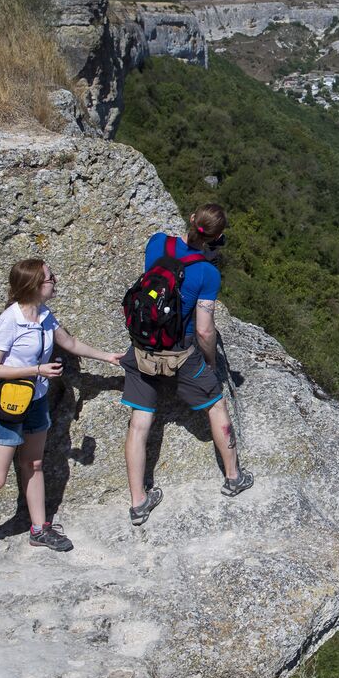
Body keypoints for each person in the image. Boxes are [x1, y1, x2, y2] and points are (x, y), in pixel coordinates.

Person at [0, 258, 123, 589]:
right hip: (8, 405)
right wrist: (36, 371)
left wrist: (107, 357)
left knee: (34, 464)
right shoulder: (8, 322)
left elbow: (70, 343)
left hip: (36, 401)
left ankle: (39, 529)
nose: (55, 282)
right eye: (51, 278)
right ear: (34, 285)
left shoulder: (43, 315)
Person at [122, 202, 251, 526]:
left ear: (191, 219)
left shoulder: (157, 243)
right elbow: (205, 329)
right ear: (217, 237)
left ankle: (138, 502)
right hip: (180, 352)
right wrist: (210, 362)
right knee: (216, 406)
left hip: (143, 345)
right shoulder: (208, 273)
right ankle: (233, 477)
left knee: (139, 423)